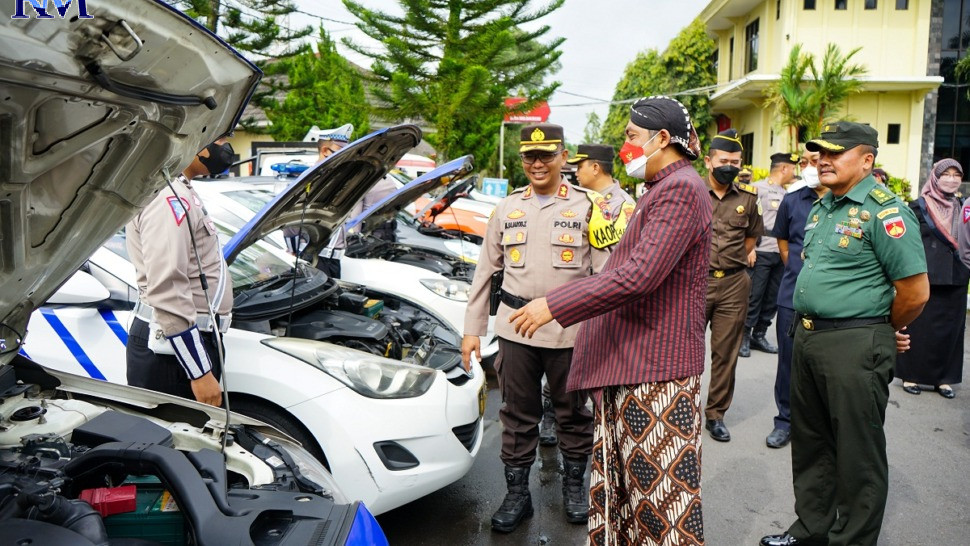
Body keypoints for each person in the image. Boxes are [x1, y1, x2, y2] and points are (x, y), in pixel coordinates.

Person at [508, 96, 710, 546]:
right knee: (629, 495)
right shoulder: (663, 187)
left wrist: (553, 305)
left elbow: (638, 276)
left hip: (656, 373)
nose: (625, 147)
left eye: (632, 136)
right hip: (636, 366)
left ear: (662, 138)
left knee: (659, 507)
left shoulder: (680, 189)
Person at [761, 122, 929, 546]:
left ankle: (851, 539)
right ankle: (812, 529)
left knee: (857, 454)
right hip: (808, 337)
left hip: (854, 344)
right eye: (820, 153)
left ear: (867, 160)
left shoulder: (885, 212)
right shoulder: (824, 207)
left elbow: (914, 292)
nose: (823, 160)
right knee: (812, 442)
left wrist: (880, 328)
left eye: (836, 153)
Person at [461, 123, 611, 533]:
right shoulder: (507, 207)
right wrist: (473, 329)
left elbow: (605, 276)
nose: (538, 163)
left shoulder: (589, 206)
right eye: (530, 156)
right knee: (516, 414)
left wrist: (602, 334)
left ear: (563, 157)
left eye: (546, 155)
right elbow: (485, 272)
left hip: (570, 331)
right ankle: (517, 495)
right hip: (516, 331)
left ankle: (575, 488)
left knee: (573, 413)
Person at [529, 143, 636, 448]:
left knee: (594, 371)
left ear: (596, 167)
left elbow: (621, 263)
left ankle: (601, 433)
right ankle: (552, 416)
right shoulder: (579, 200)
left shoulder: (623, 207)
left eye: (580, 166)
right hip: (576, 301)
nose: (575, 172)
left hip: (603, 302)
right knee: (565, 367)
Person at [126, 139, 235, 407]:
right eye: (220, 138)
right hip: (171, 350)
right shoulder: (167, 197)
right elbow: (168, 286)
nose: (226, 146)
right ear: (196, 140)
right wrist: (199, 371)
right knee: (172, 431)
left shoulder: (180, 189)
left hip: (184, 343)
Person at [764, 158, 830, 449]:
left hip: (833, 302)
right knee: (789, 362)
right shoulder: (792, 200)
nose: (811, 165)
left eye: (816, 160)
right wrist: (797, 271)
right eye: (805, 161)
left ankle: (818, 427)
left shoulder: (848, 202)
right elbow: (782, 242)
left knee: (827, 367)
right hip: (792, 296)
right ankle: (785, 421)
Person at [703, 128, 763, 442]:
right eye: (724, 161)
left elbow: (751, 238)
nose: (730, 167)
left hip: (733, 285)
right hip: (695, 284)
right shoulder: (692, 192)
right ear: (708, 161)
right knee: (683, 351)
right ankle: (681, 406)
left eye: (735, 162)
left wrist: (733, 259)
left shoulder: (748, 199)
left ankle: (715, 415)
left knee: (725, 354)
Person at [895, 159, 968, 399]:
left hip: (956, 277)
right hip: (924, 276)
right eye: (946, 174)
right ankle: (911, 375)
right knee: (918, 328)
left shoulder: (963, 207)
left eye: (957, 175)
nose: (951, 179)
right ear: (935, 177)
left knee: (951, 331)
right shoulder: (917, 207)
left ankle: (943, 379)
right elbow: (907, 242)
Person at [740, 152, 797, 357]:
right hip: (761, 250)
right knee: (754, 296)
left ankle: (759, 334)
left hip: (779, 252)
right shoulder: (758, 188)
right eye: (792, 168)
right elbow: (746, 219)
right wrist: (749, 248)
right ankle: (744, 336)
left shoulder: (787, 193)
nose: (794, 173)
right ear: (784, 168)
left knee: (772, 297)